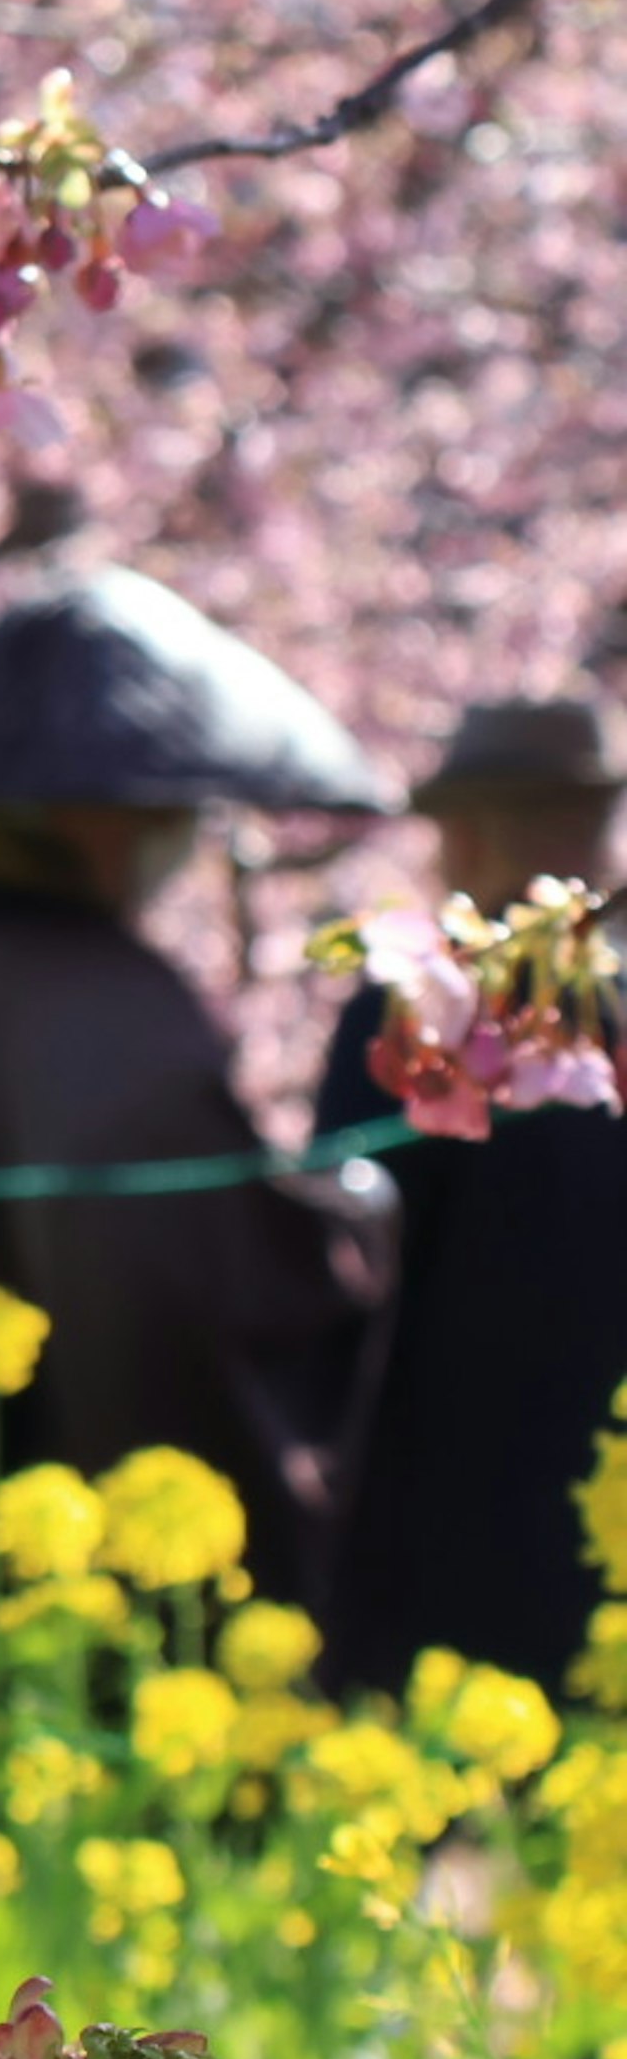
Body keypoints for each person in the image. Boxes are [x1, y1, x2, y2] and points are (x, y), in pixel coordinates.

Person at [0, 568, 389, 1599]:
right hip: (58, 1528)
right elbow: (174, 1281)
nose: (183, 834)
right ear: (94, 817)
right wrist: (359, 1223)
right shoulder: (95, 994)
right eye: (165, 809)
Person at [313, 698, 627, 1693]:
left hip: (447, 1467)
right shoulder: (596, 1002)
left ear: (477, 833)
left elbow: (339, 1244)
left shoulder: (414, 1003)